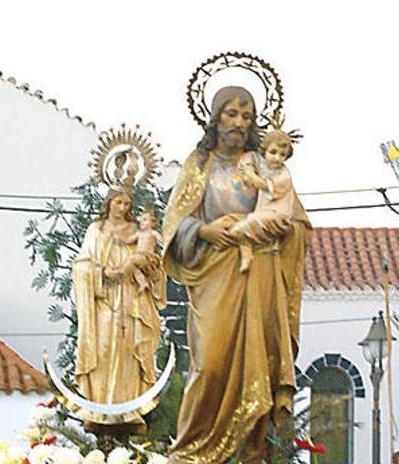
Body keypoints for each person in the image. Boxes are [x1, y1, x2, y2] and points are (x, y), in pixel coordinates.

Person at [162, 86, 310, 463]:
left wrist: (268, 228)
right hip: (214, 272)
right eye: (231, 114)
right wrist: (204, 231)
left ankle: (251, 452)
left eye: (246, 116)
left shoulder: (265, 165)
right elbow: (174, 225)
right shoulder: (198, 165)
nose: (240, 122)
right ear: (215, 118)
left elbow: (293, 218)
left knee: (258, 368)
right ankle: (191, 452)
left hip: (259, 271)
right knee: (210, 365)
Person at [72, 190, 166, 428]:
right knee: (102, 348)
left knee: (129, 354)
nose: (122, 207)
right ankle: (98, 411)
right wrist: (102, 273)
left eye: (127, 203)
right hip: (103, 299)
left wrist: (149, 266)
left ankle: (130, 411)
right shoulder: (96, 229)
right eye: (118, 202)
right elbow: (81, 266)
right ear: (109, 202)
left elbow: (156, 265)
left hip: (132, 301)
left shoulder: (138, 231)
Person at [231, 126, 309, 272]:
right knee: (235, 230)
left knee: (239, 229)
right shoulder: (263, 164)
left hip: (277, 216)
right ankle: (246, 250)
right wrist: (247, 167)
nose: (277, 158)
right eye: (273, 152)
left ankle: (249, 251)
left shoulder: (283, 175)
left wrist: (251, 174)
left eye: (282, 155)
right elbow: (247, 159)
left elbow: (261, 184)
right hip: (263, 213)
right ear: (264, 151)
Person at [117, 208, 163, 292]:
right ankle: (143, 282)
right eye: (141, 219)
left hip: (148, 257)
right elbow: (128, 240)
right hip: (139, 258)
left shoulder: (153, 233)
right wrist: (119, 235)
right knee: (133, 267)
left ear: (153, 222)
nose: (141, 221)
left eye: (145, 219)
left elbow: (162, 240)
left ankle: (120, 272)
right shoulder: (139, 234)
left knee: (131, 259)